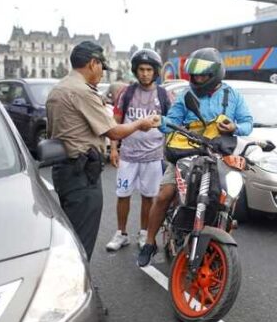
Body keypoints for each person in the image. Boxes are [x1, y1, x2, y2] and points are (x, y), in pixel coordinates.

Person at [136, 47, 253, 267]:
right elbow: (170, 122)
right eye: (195, 75)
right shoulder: (186, 95)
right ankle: (149, 243)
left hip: (217, 155)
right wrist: (159, 122)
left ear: (215, 73)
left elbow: (248, 123)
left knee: (227, 199)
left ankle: (220, 244)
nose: (197, 79)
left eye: (202, 75)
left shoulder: (233, 95)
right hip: (187, 152)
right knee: (164, 194)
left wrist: (235, 126)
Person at [46, 40, 160, 260]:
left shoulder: (58, 89)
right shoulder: (82, 92)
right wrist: (140, 124)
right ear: (92, 63)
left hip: (65, 171)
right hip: (81, 174)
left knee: (70, 234)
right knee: (81, 240)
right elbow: (114, 131)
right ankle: (79, 287)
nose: (101, 74)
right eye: (101, 68)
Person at [106, 49, 172, 252]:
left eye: (149, 69)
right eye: (141, 69)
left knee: (148, 196)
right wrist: (114, 149)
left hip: (153, 157)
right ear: (135, 71)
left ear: (155, 72)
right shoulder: (126, 93)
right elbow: (115, 122)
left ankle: (144, 233)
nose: (144, 73)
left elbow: (171, 124)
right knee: (123, 194)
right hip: (128, 155)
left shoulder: (164, 95)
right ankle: (121, 233)